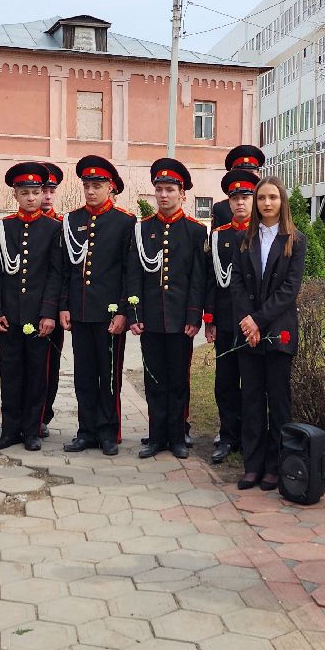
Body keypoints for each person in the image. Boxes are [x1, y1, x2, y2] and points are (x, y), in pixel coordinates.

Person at [127, 158, 207, 460]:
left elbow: (197, 279)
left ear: (182, 194)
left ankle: (176, 436)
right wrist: (135, 316)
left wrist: (193, 316)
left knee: (178, 379)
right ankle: (156, 435)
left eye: (170, 189)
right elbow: (133, 276)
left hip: (180, 321)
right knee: (154, 379)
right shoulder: (141, 230)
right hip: (150, 319)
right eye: (159, 189)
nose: (163, 195)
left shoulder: (195, 231)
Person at [230, 176, 305, 490]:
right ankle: (253, 465)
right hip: (250, 333)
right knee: (251, 400)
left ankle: (276, 466)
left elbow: (289, 290)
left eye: (272, 197)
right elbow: (236, 284)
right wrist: (247, 322)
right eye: (262, 198)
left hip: (277, 332)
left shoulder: (295, 240)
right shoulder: (245, 239)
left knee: (278, 401)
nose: (266, 203)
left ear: (281, 201)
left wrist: (258, 321)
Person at [0, 162, 66, 452]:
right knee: (10, 373)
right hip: (9, 315)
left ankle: (32, 430)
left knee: (37, 375)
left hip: (37, 316)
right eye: (25, 192)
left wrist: (48, 313)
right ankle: (9, 430)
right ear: (15, 195)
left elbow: (56, 274)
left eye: (36, 192)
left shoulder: (54, 228)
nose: (31, 198)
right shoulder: (3, 227)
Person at [59, 156, 135, 458]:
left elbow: (128, 272)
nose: (91, 191)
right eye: (87, 186)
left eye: (98, 186)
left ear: (111, 187)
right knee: (84, 374)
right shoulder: (72, 220)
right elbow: (65, 269)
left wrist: (123, 313)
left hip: (109, 314)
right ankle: (85, 430)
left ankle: (108, 431)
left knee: (110, 375)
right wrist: (64, 305)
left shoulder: (125, 221)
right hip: (79, 312)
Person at [204, 168, 258, 464]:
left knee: (250, 382)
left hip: (252, 322)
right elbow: (213, 279)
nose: (239, 203)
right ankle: (227, 436)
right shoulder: (219, 236)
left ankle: (249, 437)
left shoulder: (262, 233)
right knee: (225, 381)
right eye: (235, 198)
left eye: (245, 197)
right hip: (225, 321)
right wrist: (210, 318)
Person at [38, 162, 66, 436]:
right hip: (22, 306)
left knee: (49, 364)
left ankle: (44, 414)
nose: (46, 196)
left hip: (53, 308)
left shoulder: (63, 225)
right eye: (41, 190)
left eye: (50, 190)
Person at [212, 145, 265, 229]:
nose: (246, 176)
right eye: (242, 172)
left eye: (251, 172)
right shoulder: (221, 209)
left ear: (259, 174)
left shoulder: (267, 205)